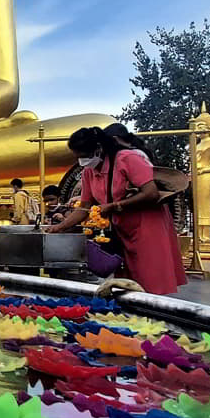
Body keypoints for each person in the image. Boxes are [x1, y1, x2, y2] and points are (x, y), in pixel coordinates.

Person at [48, 126, 187, 295]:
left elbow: (151, 193)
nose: (81, 160)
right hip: (122, 229)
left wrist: (114, 206)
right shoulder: (88, 172)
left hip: (148, 226)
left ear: (98, 148)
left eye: (83, 155)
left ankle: (151, 315)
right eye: (77, 157)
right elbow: (84, 208)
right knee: (126, 282)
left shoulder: (127, 159)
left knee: (149, 279)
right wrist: (59, 227)